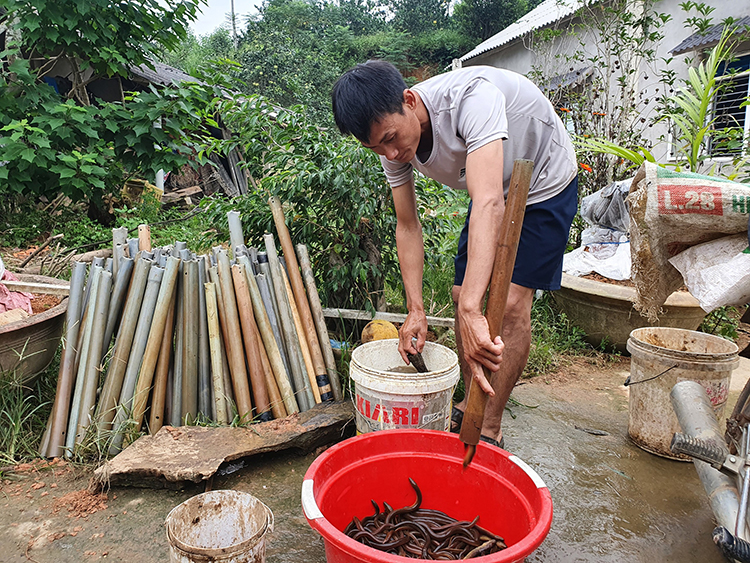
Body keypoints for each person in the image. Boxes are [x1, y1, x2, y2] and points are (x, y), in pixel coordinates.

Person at [331, 60, 578, 448]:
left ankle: (490, 427)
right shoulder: (388, 143)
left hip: (544, 182)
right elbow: (408, 225)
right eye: (376, 146)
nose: (392, 154)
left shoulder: (470, 98)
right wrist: (416, 309)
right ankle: (470, 403)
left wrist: (471, 313)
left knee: (510, 305)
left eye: (392, 138)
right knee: (463, 295)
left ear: (409, 100)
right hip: (491, 190)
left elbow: (489, 203)